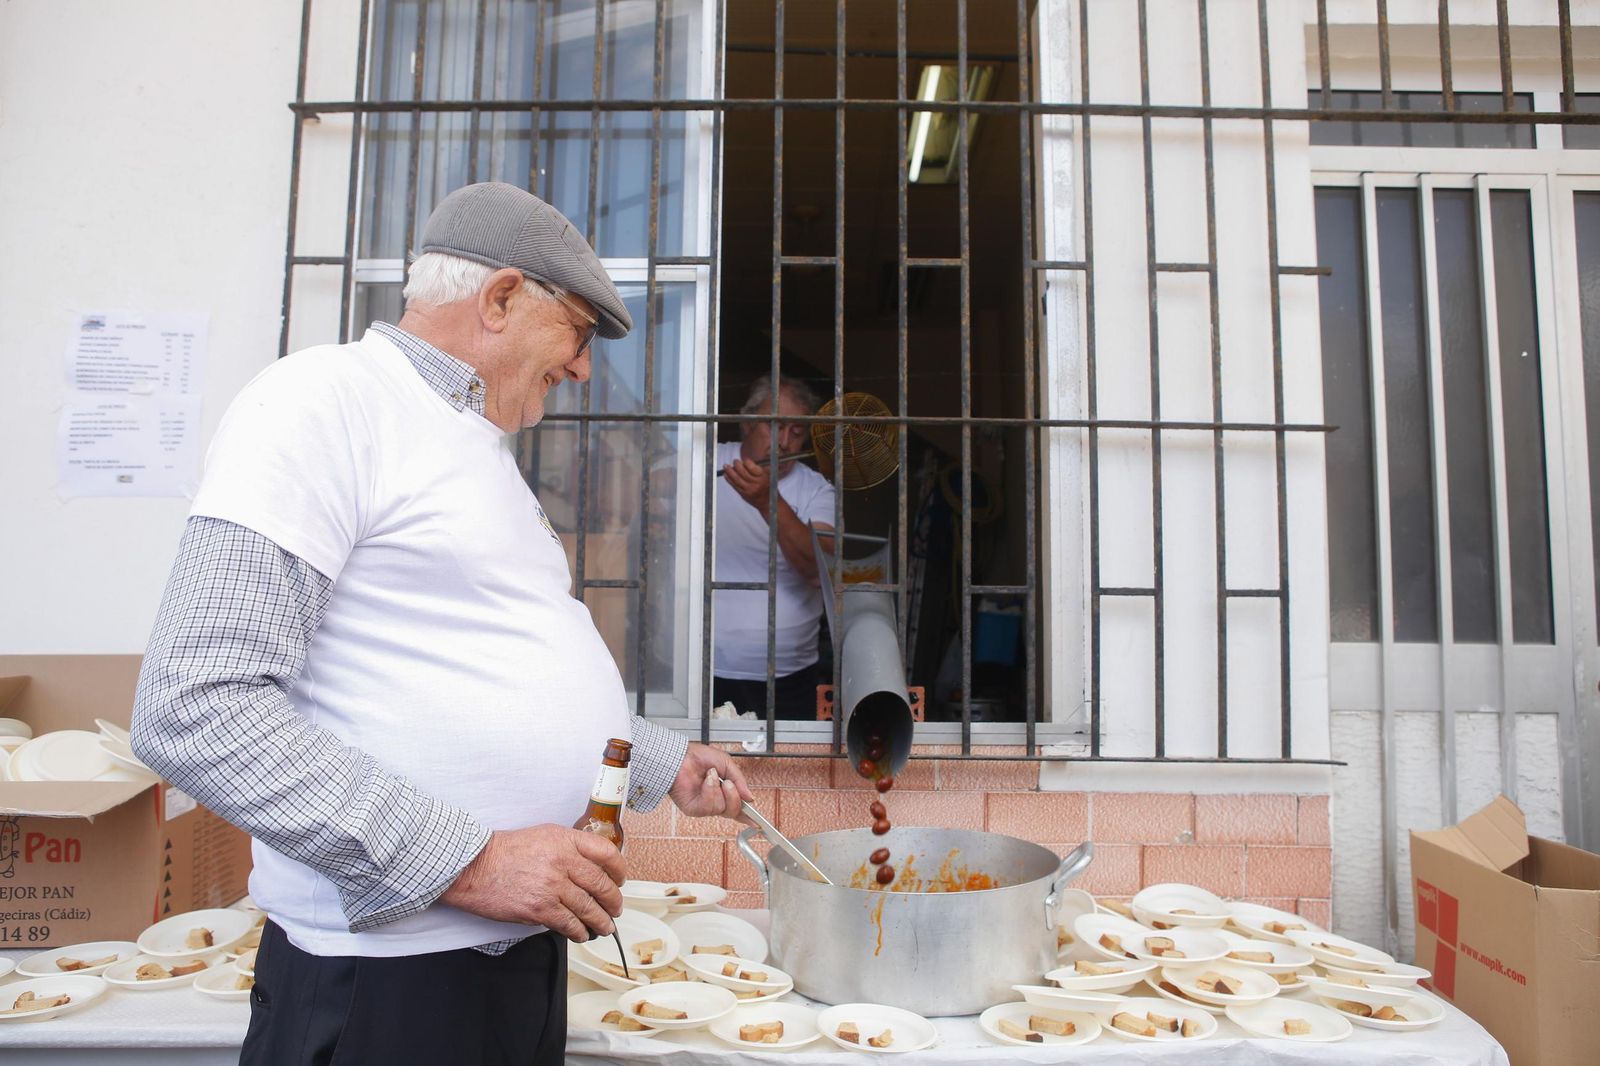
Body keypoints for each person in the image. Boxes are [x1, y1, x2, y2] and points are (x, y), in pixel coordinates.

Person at [129, 182, 753, 1066]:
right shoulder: (323, 401)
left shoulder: (472, 443)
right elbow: (196, 705)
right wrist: (473, 861)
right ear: (500, 299)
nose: (582, 368)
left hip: (508, 959)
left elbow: (475, 662)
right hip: (388, 988)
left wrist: (661, 760)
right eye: (578, 333)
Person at [714, 374, 837, 719]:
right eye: (775, 427)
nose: (784, 442)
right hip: (699, 668)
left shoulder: (817, 491)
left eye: (796, 432)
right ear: (747, 423)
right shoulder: (702, 463)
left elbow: (819, 571)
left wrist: (768, 501)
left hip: (787, 676)